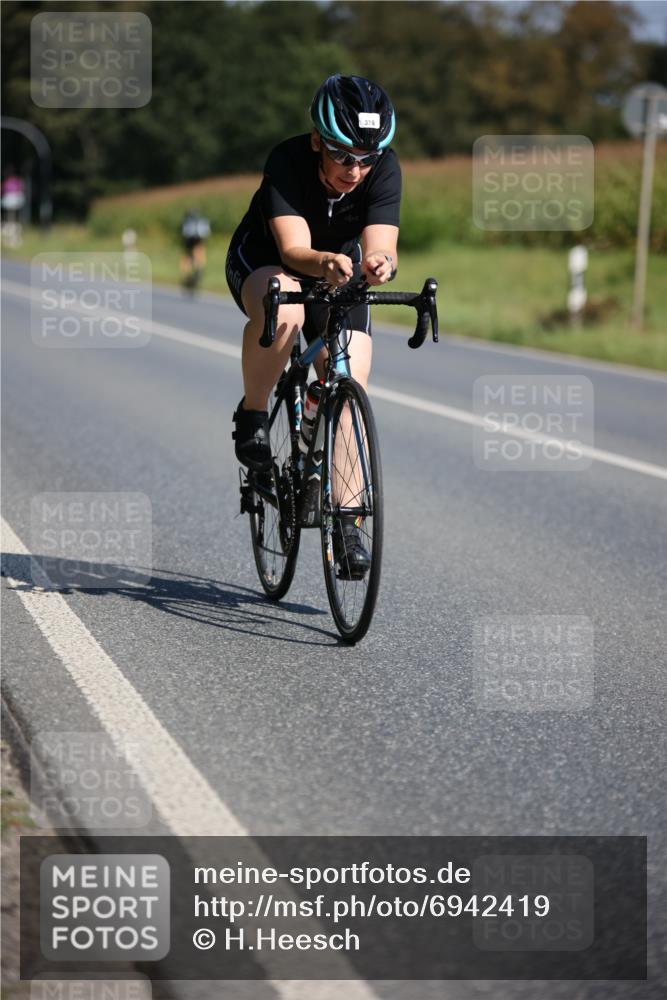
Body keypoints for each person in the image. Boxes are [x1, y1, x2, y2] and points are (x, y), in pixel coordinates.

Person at [226, 74, 400, 575]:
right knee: (286, 311)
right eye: (344, 155)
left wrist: (380, 264)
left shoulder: (384, 168)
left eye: (366, 158)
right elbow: (293, 249)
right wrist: (323, 262)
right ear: (318, 141)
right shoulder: (287, 160)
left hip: (338, 269)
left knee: (348, 371)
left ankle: (346, 521)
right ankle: (254, 413)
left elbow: (383, 243)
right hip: (269, 262)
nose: (355, 170)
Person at [180, 210, 211, 292]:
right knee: (199, 252)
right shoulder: (201, 220)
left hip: (189, 242)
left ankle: (187, 275)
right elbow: (206, 234)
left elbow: (184, 234)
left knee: (187, 256)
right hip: (198, 240)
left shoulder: (187, 221)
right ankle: (198, 270)